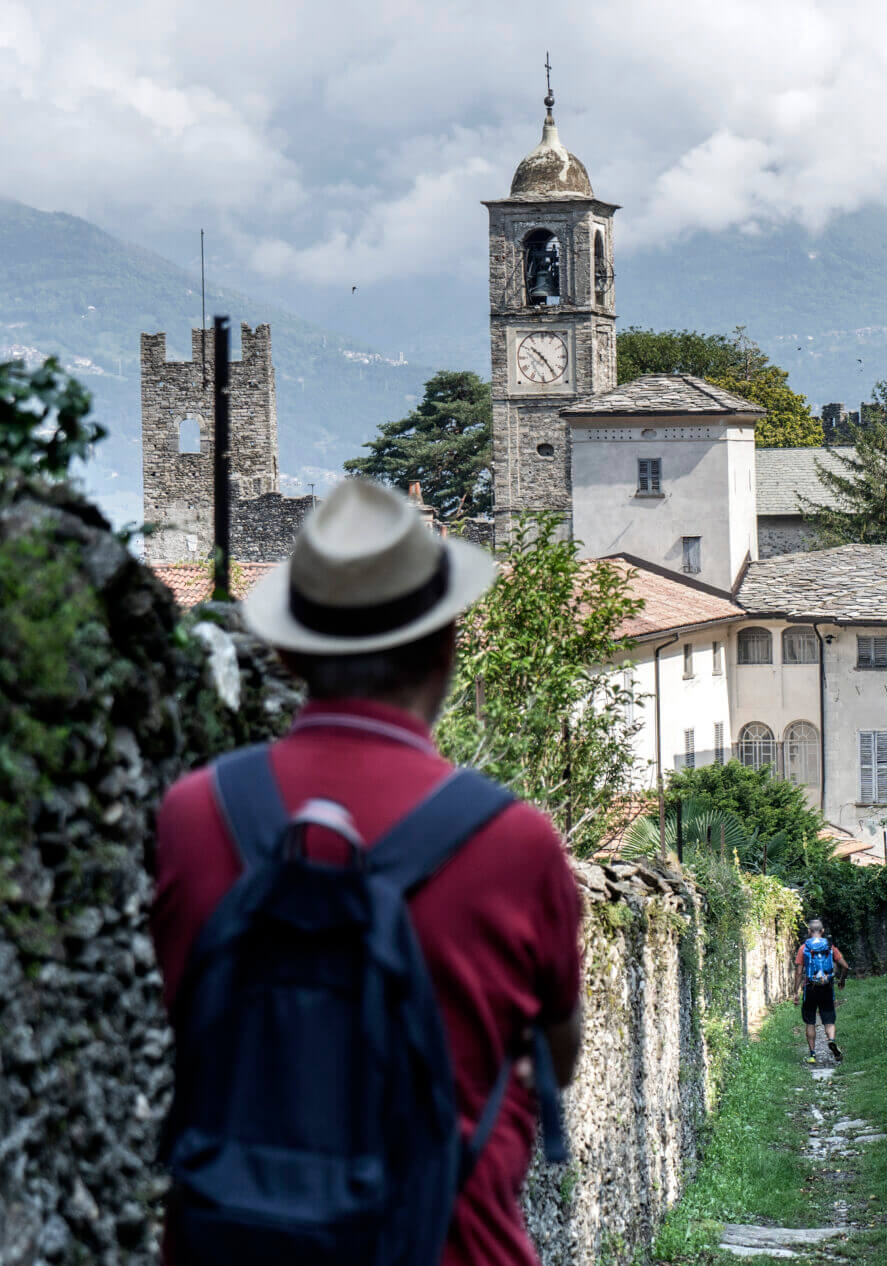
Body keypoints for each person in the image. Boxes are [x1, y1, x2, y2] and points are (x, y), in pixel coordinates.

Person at [150, 478, 584, 1266]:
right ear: (449, 643)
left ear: (287, 653)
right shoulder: (515, 843)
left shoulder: (190, 818)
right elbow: (557, 1053)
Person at [796, 918, 851, 1063]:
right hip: (826, 988)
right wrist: (842, 980)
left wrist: (795, 992)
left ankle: (812, 1055)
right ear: (822, 931)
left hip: (810, 988)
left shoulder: (804, 948)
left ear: (809, 931)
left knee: (810, 1022)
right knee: (829, 1020)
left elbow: (798, 972)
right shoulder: (830, 947)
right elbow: (845, 966)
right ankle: (831, 1040)